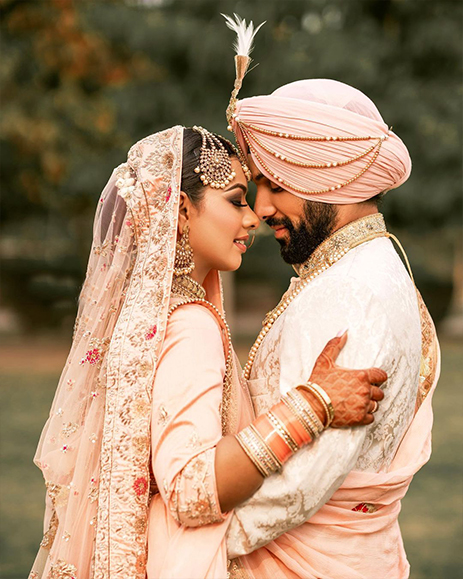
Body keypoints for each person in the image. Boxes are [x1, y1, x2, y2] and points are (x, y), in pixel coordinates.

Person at [29, 125, 387, 579]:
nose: (254, 216)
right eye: (236, 200)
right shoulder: (189, 324)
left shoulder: (150, 317)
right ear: (180, 210)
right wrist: (313, 406)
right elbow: (190, 488)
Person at [221, 16, 441, 579]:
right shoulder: (375, 266)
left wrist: (197, 537)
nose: (262, 208)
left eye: (275, 184)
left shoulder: (349, 290)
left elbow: (301, 483)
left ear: (328, 178)